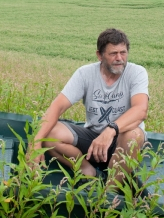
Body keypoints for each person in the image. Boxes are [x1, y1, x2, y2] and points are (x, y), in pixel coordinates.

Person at [31, 28, 148, 182]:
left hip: (122, 140)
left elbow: (140, 110)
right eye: (113, 53)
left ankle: (110, 191)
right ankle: (88, 171)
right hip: (94, 139)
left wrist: (110, 130)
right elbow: (57, 106)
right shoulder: (85, 74)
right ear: (99, 55)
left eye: (123, 52)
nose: (119, 58)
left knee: (134, 135)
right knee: (51, 133)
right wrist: (36, 142)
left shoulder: (136, 73)